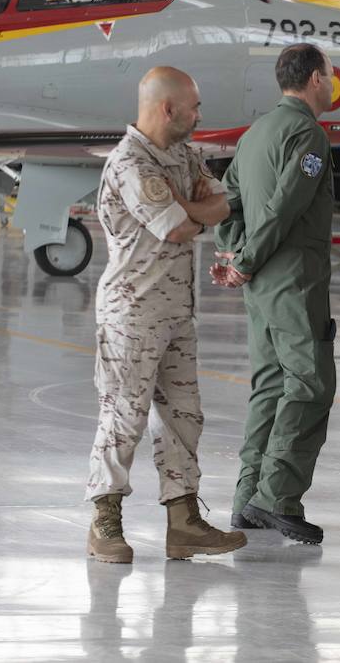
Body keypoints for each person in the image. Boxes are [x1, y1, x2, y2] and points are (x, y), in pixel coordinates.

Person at [86, 66, 246, 563]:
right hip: (132, 311)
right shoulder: (130, 163)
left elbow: (221, 204)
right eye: (195, 107)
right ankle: (104, 520)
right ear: (168, 109)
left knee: (183, 418)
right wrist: (188, 209)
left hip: (177, 310)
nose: (201, 116)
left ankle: (183, 520)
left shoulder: (181, 154)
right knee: (124, 416)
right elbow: (176, 228)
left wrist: (189, 206)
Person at [210, 43, 337, 545]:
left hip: (260, 286)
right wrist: (245, 260)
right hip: (293, 282)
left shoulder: (254, 133)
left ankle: (247, 499)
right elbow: (285, 207)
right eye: (328, 74)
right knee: (309, 385)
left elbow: (230, 199)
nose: (330, 82)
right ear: (312, 79)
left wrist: (235, 253)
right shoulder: (308, 135)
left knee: (268, 387)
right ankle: (277, 496)